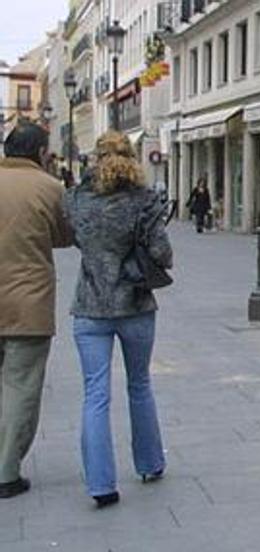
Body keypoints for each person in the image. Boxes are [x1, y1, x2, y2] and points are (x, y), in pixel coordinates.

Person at [63, 131, 172, 508]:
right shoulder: (144, 201)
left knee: (95, 394)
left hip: (91, 304)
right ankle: (150, 462)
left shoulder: (77, 198)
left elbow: (75, 239)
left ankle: (100, 484)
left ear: (96, 158)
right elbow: (161, 252)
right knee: (140, 384)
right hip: (136, 304)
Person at [0, 122, 73, 499]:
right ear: (42, 153)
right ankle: (6, 471)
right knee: (20, 387)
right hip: (28, 302)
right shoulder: (50, 188)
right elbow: (65, 236)